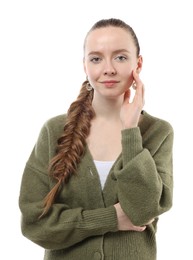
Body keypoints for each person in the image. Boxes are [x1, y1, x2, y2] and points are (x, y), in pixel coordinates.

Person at [19, 18, 174, 260]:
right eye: (96, 58)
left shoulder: (158, 132)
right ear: (85, 66)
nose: (108, 68)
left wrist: (130, 132)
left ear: (138, 63)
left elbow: (143, 211)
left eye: (120, 57)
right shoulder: (54, 130)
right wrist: (111, 218)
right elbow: (34, 223)